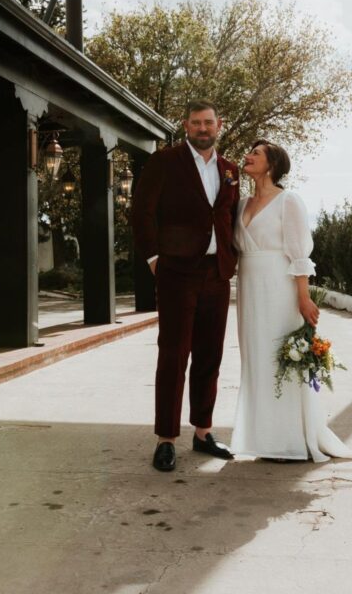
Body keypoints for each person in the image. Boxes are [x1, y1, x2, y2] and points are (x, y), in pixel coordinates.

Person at [231, 140, 352, 462]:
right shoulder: (241, 203)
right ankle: (264, 438)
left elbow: (298, 254)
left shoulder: (288, 201)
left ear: (272, 164)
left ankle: (290, 439)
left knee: (279, 355)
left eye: (255, 153)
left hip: (279, 288)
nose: (247, 156)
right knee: (256, 358)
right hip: (249, 287)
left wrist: (303, 298)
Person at [131, 99, 241, 472]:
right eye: (195, 123)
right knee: (174, 354)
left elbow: (230, 218)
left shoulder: (230, 170)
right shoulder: (165, 161)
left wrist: (232, 260)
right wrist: (153, 258)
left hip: (217, 274)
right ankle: (166, 439)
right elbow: (142, 211)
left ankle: (203, 432)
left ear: (218, 124)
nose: (202, 128)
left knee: (210, 355)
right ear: (185, 126)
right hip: (177, 271)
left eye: (208, 122)